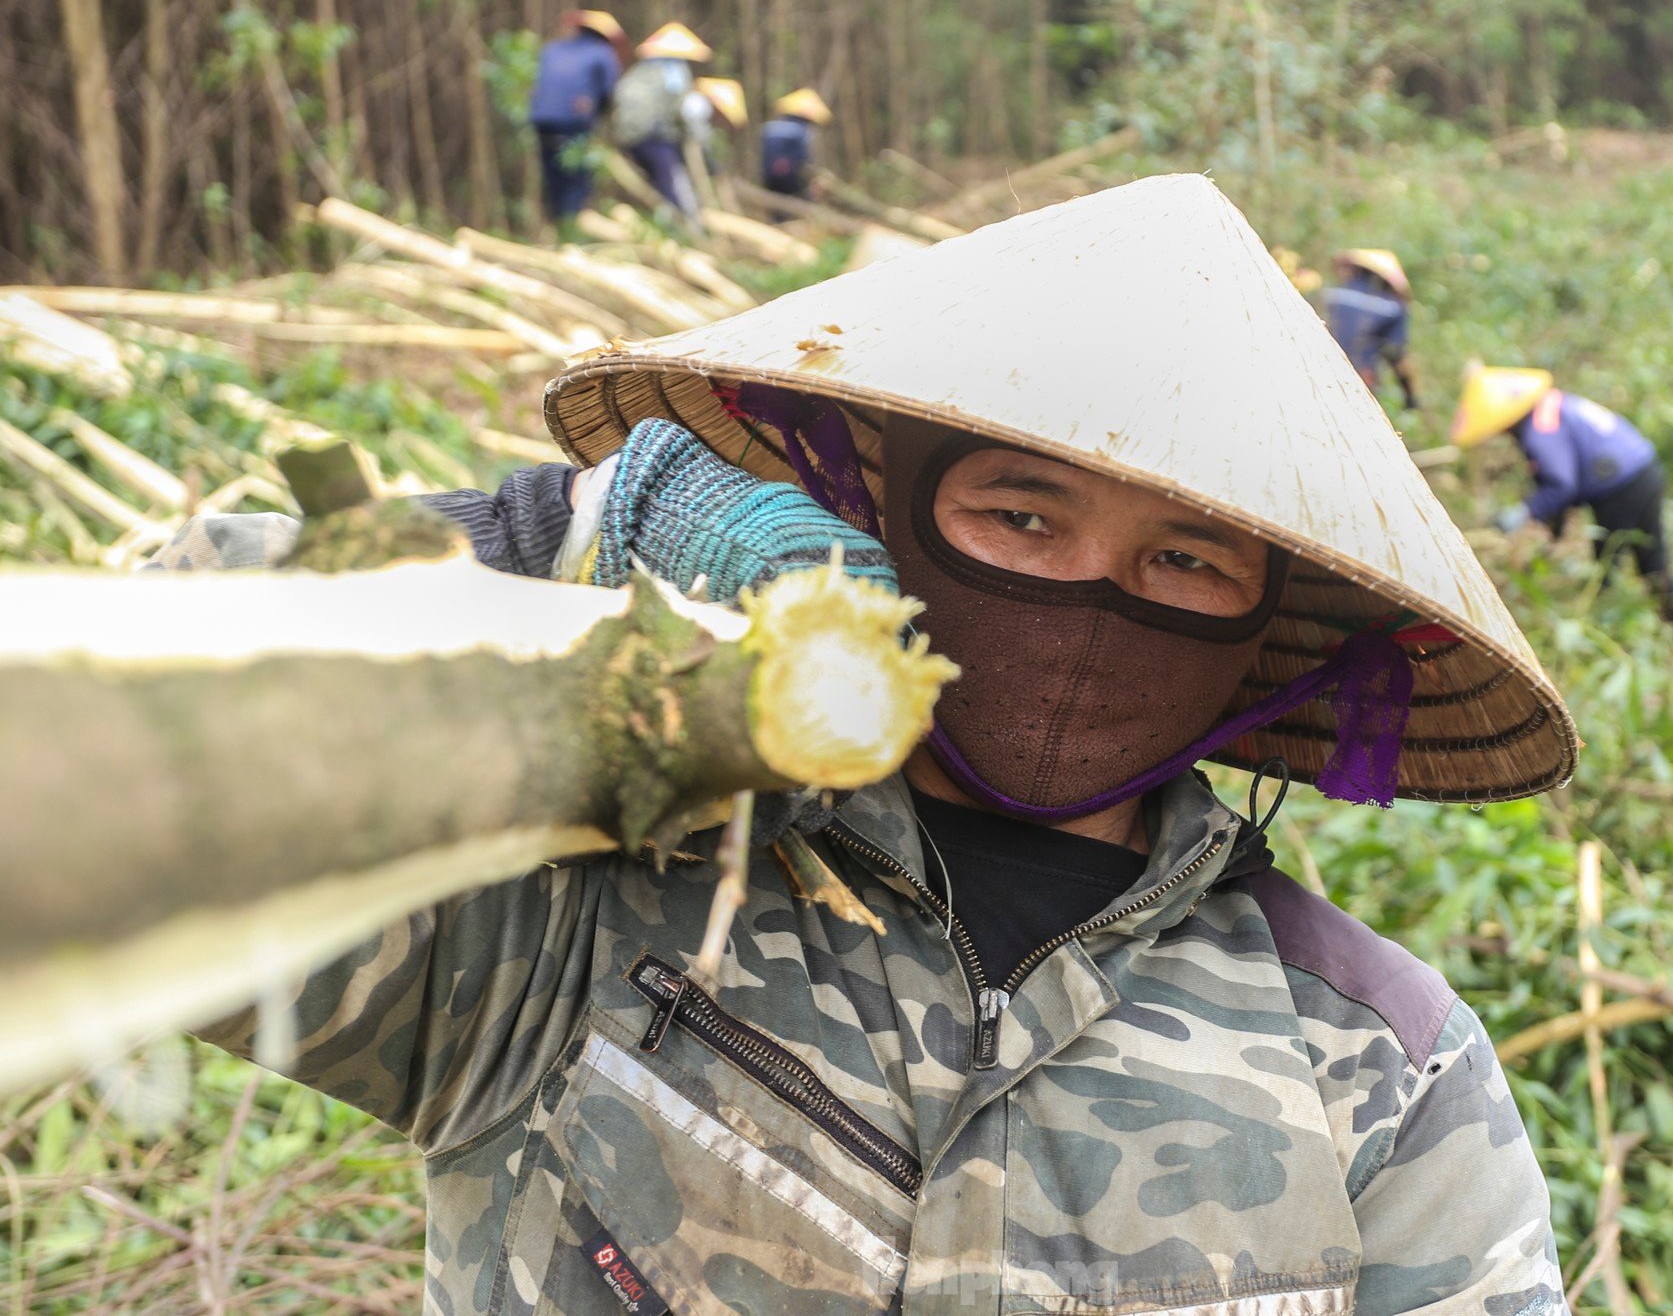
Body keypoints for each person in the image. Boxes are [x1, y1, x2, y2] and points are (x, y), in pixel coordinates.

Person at [192, 176, 1576, 1315]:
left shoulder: (1377, 1067)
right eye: (1019, 520)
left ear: (1267, 630)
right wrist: (543, 536)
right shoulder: (575, 882)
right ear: (886, 510)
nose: (1094, 604)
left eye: (1187, 561)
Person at [1453, 362, 1673, 621]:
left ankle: (1604, 621)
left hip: (1622, 487)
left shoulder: (1539, 430)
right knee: (1651, 556)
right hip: (1644, 470)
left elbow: (1561, 484)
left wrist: (1525, 511)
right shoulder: (1549, 405)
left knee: (1608, 565)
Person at [528, 10, 626, 231]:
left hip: (542, 120)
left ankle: (555, 224)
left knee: (552, 173)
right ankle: (572, 227)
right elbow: (607, 91)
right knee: (576, 176)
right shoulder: (602, 53)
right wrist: (596, 113)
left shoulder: (552, 49)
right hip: (574, 121)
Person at [612, 22, 714, 228]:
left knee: (656, 184)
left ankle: (663, 226)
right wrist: (701, 142)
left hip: (630, 138)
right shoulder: (674, 71)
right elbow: (684, 109)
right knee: (673, 186)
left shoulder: (639, 71)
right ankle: (684, 229)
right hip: (655, 136)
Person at [1322, 248, 1420, 411]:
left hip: (1316, 368)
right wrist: (1410, 396)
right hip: (1357, 382)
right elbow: (1397, 356)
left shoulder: (1331, 296)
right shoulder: (1393, 309)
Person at [760, 87, 831, 201]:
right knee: (797, 200)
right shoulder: (802, 131)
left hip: (769, 175)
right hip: (791, 177)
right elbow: (803, 157)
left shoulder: (770, 127)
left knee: (776, 204)